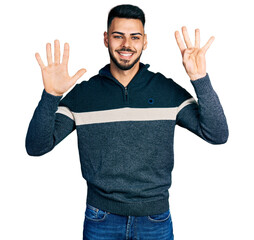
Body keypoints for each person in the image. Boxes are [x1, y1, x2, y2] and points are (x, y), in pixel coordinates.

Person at [25, 4, 228, 240]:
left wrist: (199, 78)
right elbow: (36, 147)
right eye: (118, 36)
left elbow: (217, 134)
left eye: (135, 37)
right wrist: (51, 95)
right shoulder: (84, 95)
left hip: (155, 219)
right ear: (106, 39)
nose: (126, 44)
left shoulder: (167, 91)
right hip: (100, 218)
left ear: (145, 41)